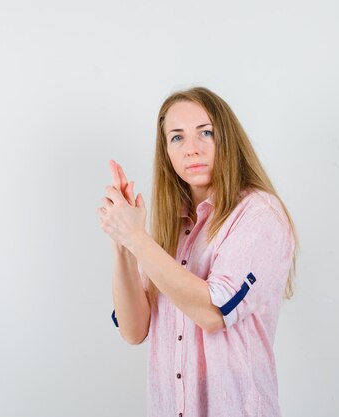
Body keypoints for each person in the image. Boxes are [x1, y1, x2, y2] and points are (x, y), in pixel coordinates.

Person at [96, 86, 298, 417]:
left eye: (205, 132)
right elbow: (133, 330)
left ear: (226, 139)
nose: (192, 149)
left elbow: (214, 312)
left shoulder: (260, 214)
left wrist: (136, 237)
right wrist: (123, 243)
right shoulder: (171, 228)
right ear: (166, 152)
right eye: (177, 137)